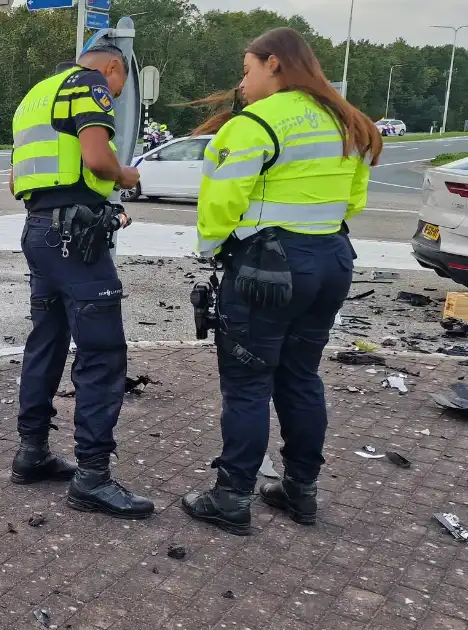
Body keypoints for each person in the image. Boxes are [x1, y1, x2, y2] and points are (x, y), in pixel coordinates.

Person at [181, 27, 381, 536]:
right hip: (332, 259)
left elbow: (222, 199)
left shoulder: (258, 123)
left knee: (248, 383)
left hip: (267, 267)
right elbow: (354, 200)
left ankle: (230, 497)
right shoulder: (347, 119)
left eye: (248, 70)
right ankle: (300, 490)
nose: (243, 83)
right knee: (301, 375)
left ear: (274, 64)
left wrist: (210, 248)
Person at [9, 48, 152, 520]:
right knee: (103, 353)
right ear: (112, 69)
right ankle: (92, 477)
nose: (115, 95)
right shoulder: (87, 84)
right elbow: (97, 158)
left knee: (46, 342)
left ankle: (32, 452)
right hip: (74, 238)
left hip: (38, 229)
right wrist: (124, 174)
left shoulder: (34, 96)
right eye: (120, 86)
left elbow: (16, 182)